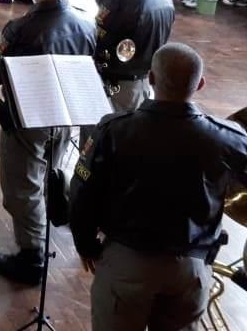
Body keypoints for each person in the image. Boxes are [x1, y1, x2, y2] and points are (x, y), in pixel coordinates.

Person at [70, 43, 247, 331]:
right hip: (191, 267)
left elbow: (81, 193)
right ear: (200, 84)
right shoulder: (230, 139)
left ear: (151, 78)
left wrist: (86, 244)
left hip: (128, 262)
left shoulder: (114, 130)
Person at [0, 0, 96, 285]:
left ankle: (32, 256)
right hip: (66, 113)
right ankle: (46, 225)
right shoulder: (86, 24)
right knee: (51, 171)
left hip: (28, 117)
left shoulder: (20, 28)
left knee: (22, 186)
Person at [95, 0, 175, 113]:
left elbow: (102, 46)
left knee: (107, 133)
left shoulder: (120, 2)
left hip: (119, 87)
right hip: (148, 81)